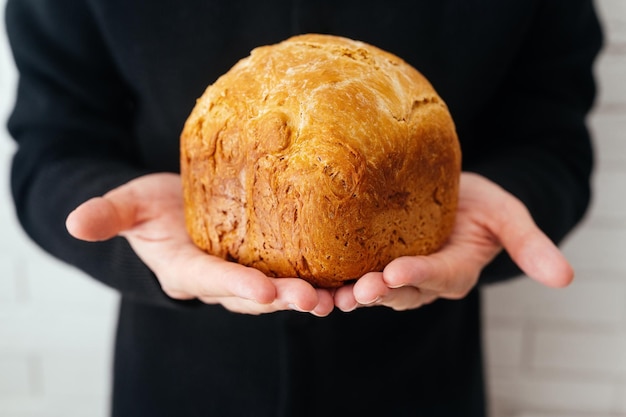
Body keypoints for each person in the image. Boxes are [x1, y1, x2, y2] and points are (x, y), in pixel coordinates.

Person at [5, 1, 602, 416]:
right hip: (182, 379)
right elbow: (52, 148)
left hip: (417, 378)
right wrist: (129, 241)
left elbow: (553, 138)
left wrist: (512, 207)